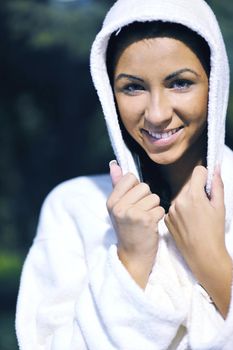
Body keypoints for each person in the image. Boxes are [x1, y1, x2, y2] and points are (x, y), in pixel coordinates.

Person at [16, 0, 233, 349]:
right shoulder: (74, 207)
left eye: (180, 83)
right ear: (109, 93)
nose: (157, 114)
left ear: (216, 84)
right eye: (132, 87)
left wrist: (212, 262)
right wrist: (131, 260)